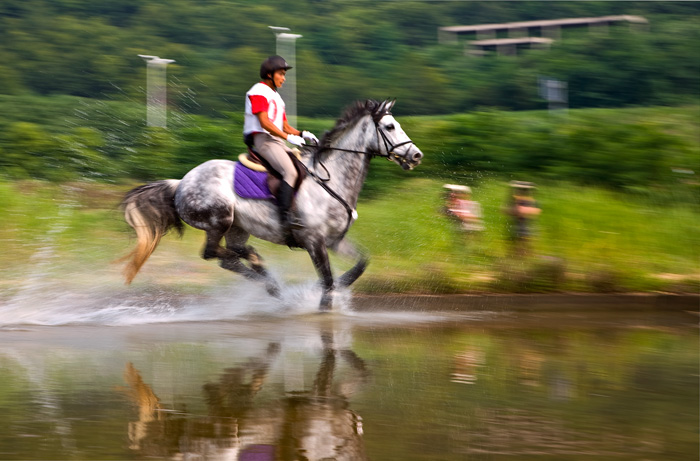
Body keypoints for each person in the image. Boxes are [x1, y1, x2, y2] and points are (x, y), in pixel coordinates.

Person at [243, 55, 318, 245]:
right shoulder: (259, 91)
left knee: (304, 167)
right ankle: (285, 218)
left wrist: (302, 133)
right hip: (264, 141)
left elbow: (284, 125)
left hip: (277, 140)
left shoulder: (276, 96)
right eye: (281, 74)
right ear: (269, 74)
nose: (283, 78)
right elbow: (264, 122)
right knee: (290, 172)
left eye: (284, 75)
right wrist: (288, 138)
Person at [503, 181, 540, 256]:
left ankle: (523, 257)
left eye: (522, 191)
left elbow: (534, 212)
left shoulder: (531, 202)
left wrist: (520, 209)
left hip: (526, 229)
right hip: (516, 229)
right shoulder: (514, 201)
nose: (520, 193)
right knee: (515, 249)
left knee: (524, 248)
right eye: (519, 190)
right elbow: (506, 210)